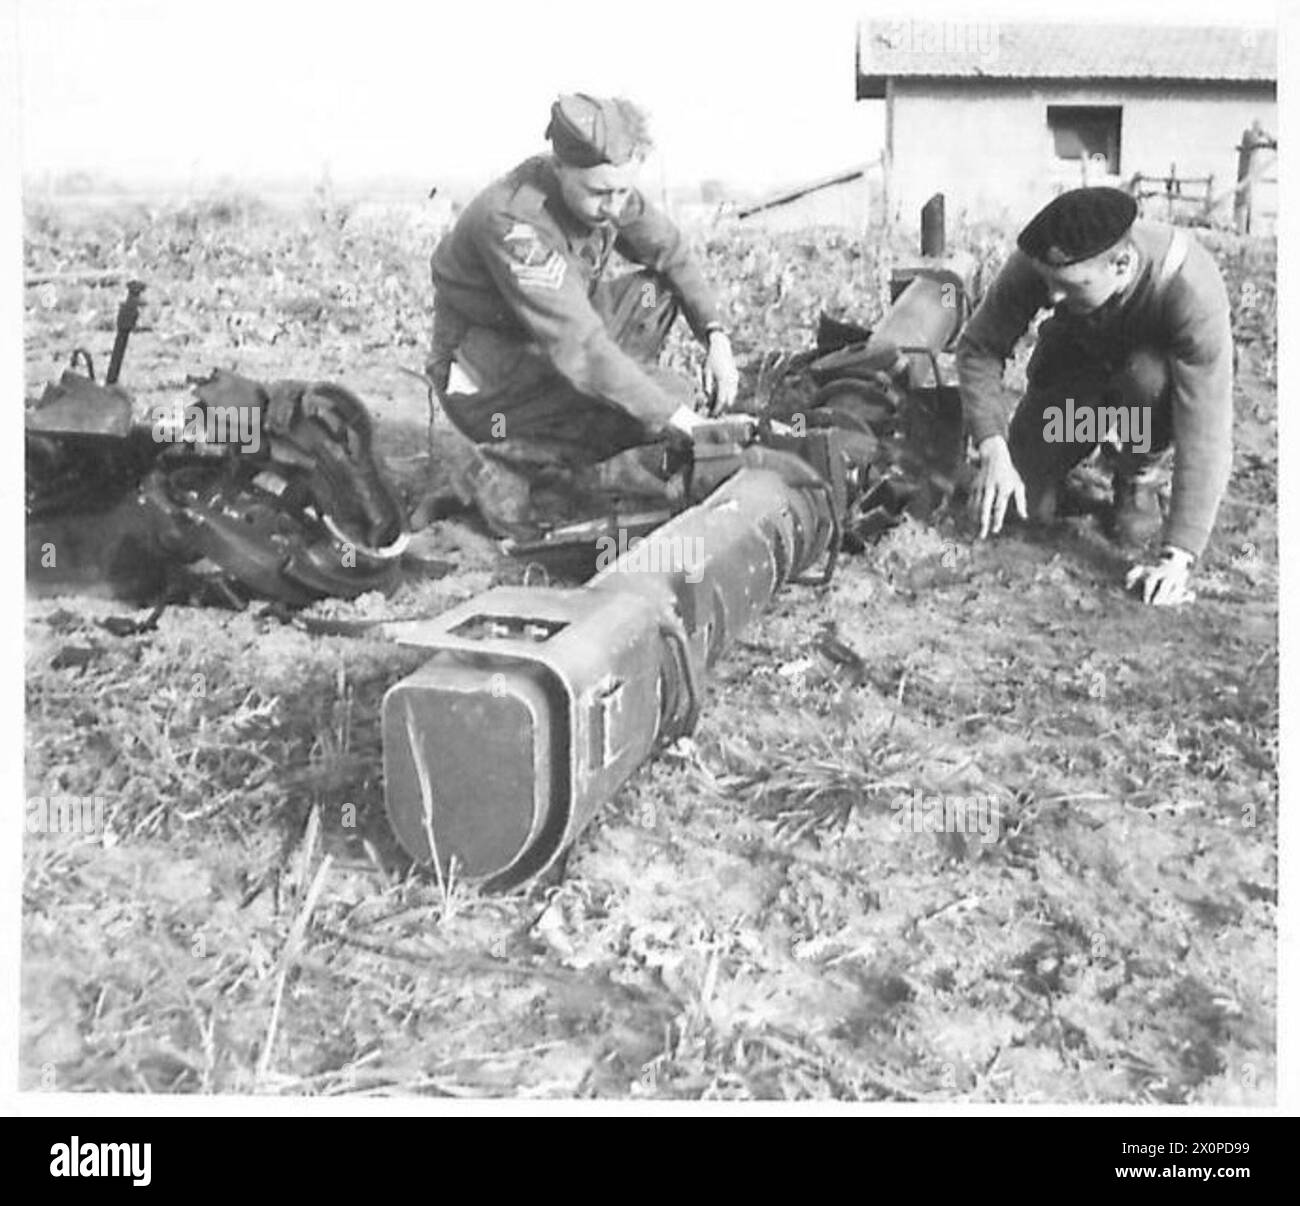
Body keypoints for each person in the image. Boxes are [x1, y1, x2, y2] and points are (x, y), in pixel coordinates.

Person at [426, 92, 739, 539]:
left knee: (659, 290)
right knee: (668, 396)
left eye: (623, 191)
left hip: (550, 343)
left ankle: (604, 405)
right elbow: (583, 350)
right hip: (488, 380)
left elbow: (668, 251)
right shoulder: (514, 223)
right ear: (559, 168)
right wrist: (682, 420)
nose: (614, 207)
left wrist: (716, 337)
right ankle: (509, 461)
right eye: (599, 194)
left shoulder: (606, 186)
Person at [957, 186, 1234, 606]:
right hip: (1076, 381)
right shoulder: (1042, 262)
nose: (1051, 297)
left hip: (1143, 406)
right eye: (1047, 283)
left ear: (1121, 264)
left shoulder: (1190, 288)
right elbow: (979, 347)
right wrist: (993, 447)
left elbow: (1207, 429)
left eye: (1067, 287)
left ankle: (1136, 474)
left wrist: (1179, 555)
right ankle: (1075, 450)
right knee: (1024, 507)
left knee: (1147, 378)